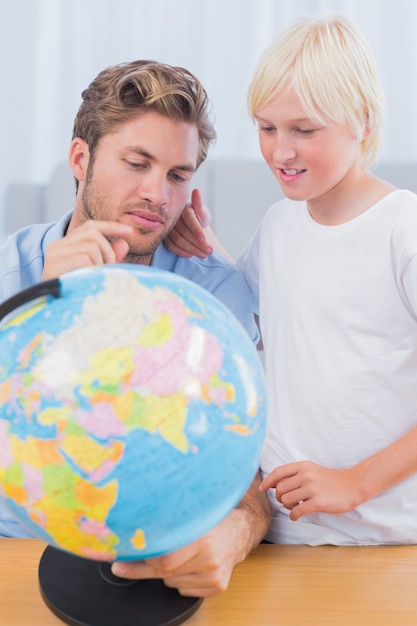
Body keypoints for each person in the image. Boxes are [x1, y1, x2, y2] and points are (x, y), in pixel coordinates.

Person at [0, 59, 271, 595]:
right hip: (16, 555)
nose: (158, 195)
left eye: (177, 176)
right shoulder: (13, 275)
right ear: (81, 158)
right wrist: (39, 316)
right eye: (137, 163)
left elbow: (249, 473)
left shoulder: (213, 296)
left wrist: (235, 534)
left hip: (162, 573)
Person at [166, 12, 417, 545]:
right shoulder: (280, 223)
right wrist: (205, 245)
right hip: (278, 533)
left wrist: (353, 483)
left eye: (305, 130)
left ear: (364, 122)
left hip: (386, 539)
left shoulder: (402, 229)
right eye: (266, 127)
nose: (281, 151)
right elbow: (261, 309)